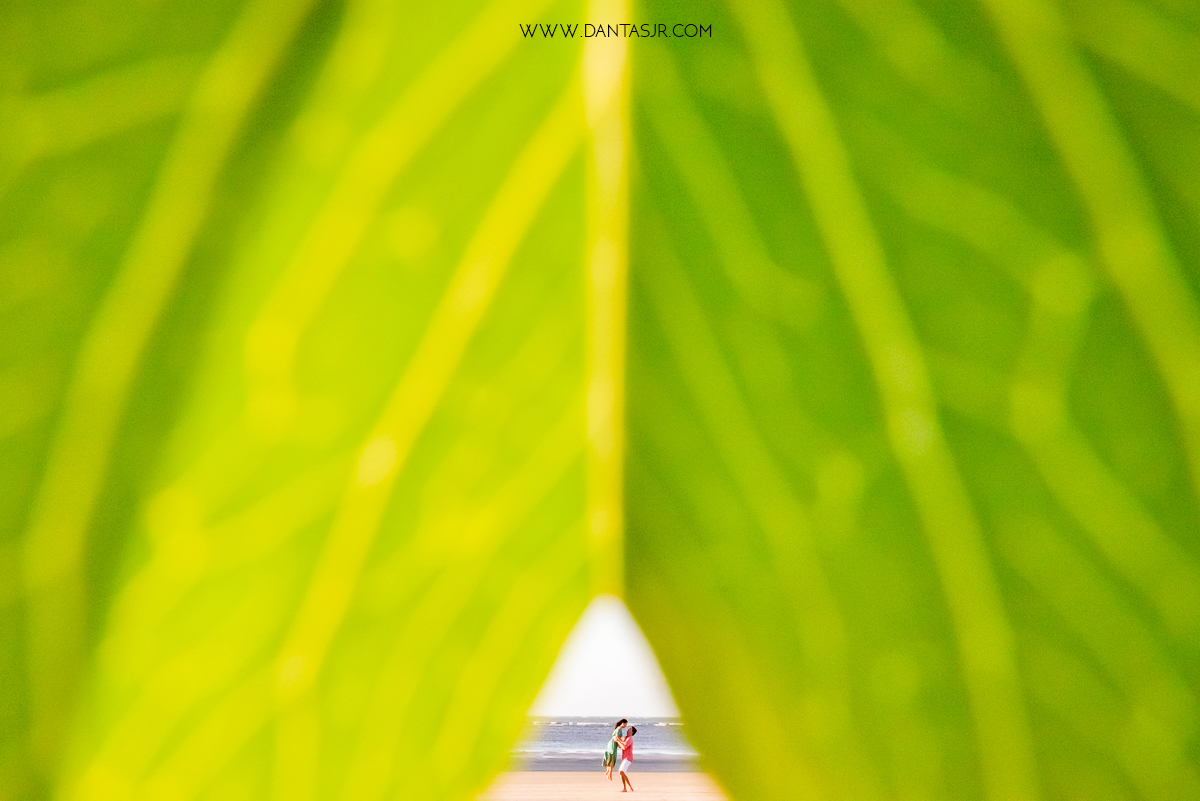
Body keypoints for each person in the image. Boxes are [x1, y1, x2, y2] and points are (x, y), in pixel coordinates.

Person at [617, 725, 636, 792]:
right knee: (622, 772)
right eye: (628, 729)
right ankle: (630, 787)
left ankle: (625, 788)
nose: (628, 730)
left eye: (630, 730)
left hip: (628, 758)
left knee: (621, 771)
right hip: (625, 758)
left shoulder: (630, 738)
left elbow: (624, 746)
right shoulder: (625, 738)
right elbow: (620, 741)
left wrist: (618, 741)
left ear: (632, 732)